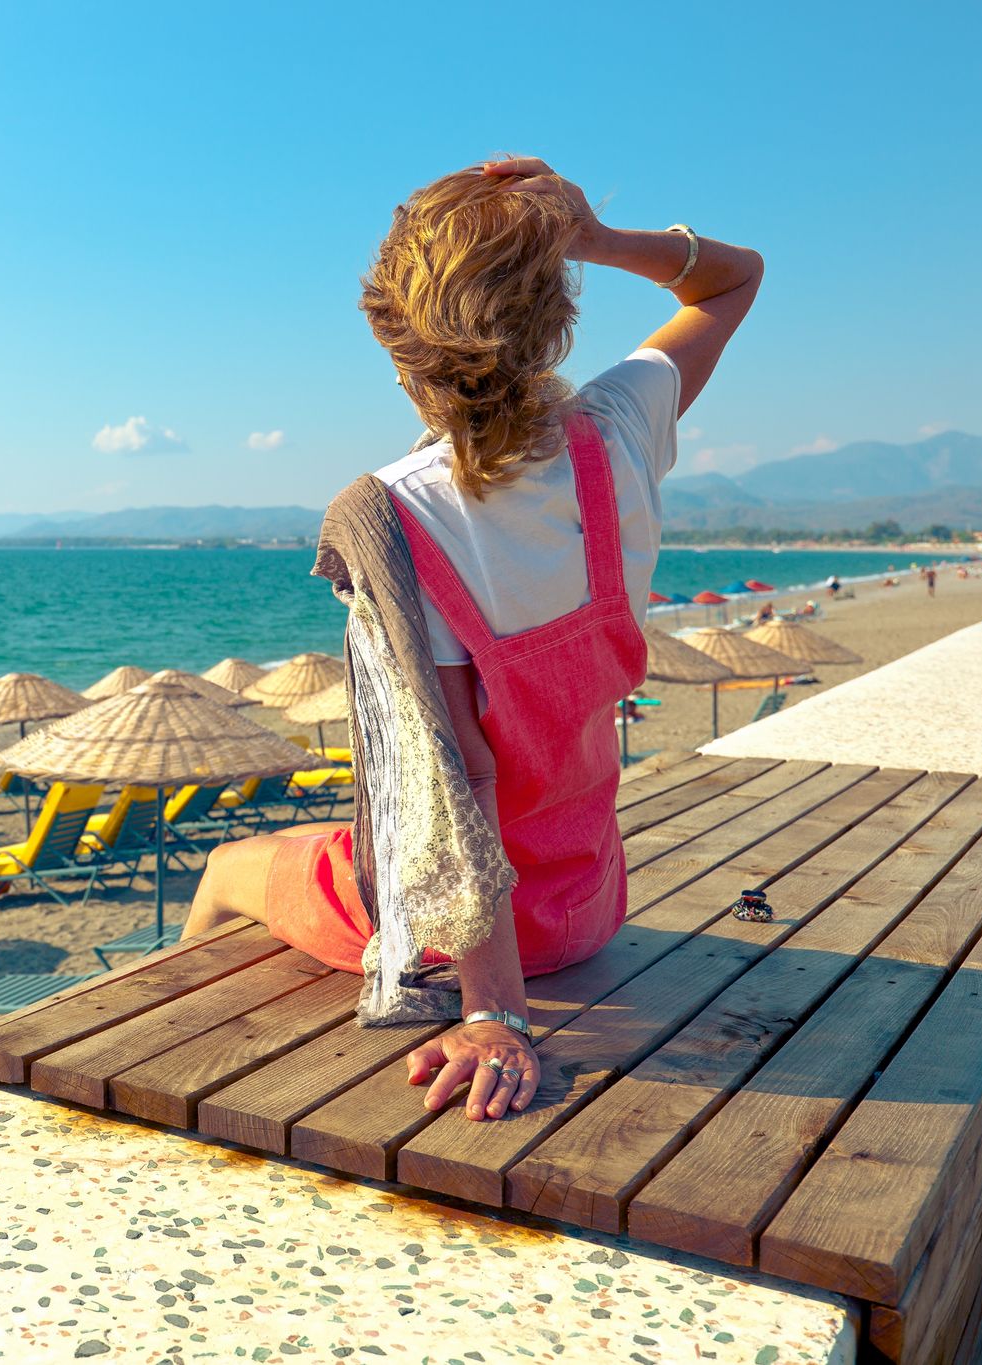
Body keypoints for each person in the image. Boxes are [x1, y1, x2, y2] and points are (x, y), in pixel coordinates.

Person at [184, 157, 763, 1122]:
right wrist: (599, 238)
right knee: (298, 850)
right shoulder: (616, 434)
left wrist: (497, 1010)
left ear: (394, 338)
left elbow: (455, 785)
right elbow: (733, 276)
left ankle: (171, 1046)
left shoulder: (399, 515)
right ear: (554, 319)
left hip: (478, 933)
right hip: (586, 894)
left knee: (229, 870)